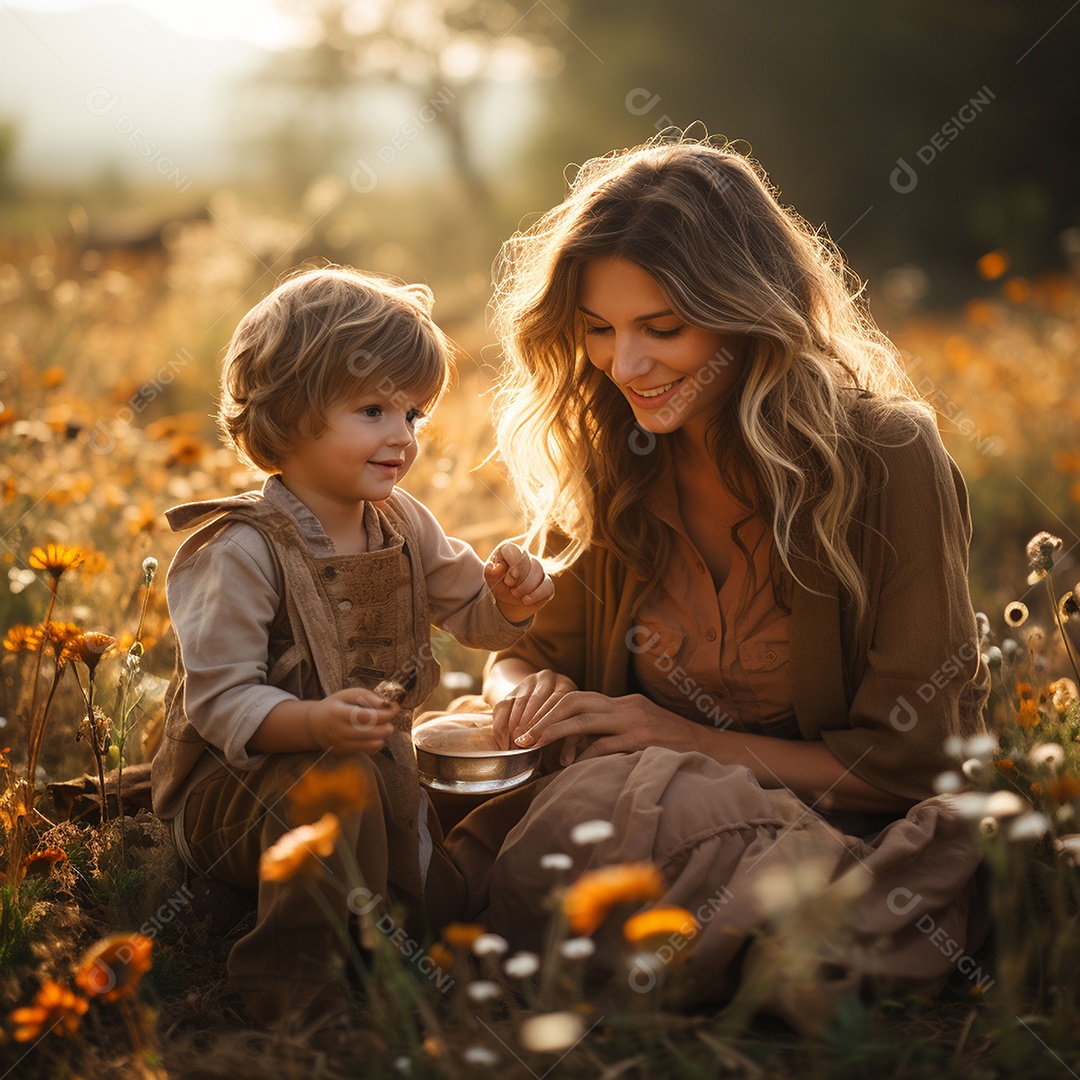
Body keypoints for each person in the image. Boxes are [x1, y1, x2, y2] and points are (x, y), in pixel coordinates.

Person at [463, 135, 990, 1029]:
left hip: (825, 830)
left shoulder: (888, 458)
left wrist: (675, 737)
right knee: (401, 768)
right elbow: (520, 656)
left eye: (661, 329)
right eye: (598, 329)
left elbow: (913, 764)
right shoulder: (613, 453)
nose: (624, 366)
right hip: (627, 803)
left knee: (607, 812)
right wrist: (529, 693)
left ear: (748, 313)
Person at [150, 265, 553, 1027]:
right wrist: (316, 726)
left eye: (413, 415)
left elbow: (472, 614)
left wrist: (511, 598)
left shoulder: (401, 520)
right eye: (372, 410)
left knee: (430, 880)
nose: (401, 436)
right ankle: (297, 995)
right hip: (238, 795)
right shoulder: (239, 549)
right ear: (291, 415)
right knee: (335, 795)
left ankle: (412, 965)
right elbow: (221, 704)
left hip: (372, 764)